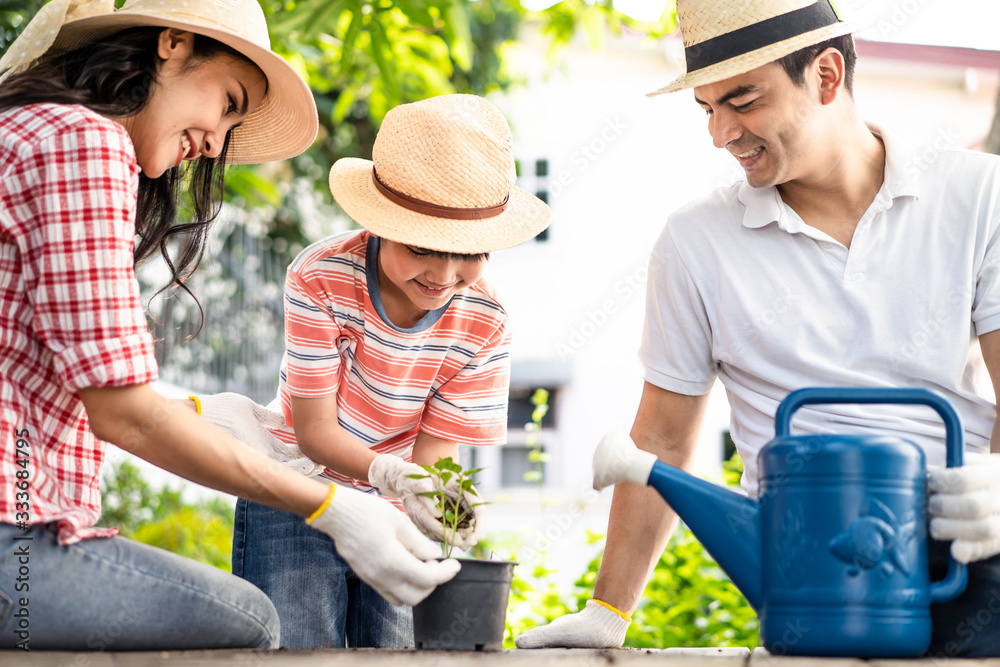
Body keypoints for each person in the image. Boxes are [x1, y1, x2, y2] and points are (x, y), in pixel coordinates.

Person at [515, 0, 1000, 657]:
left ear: (827, 76)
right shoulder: (696, 242)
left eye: (742, 101)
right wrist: (608, 609)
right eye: (707, 109)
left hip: (968, 533)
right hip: (808, 555)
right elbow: (660, 435)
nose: (720, 133)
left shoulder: (979, 194)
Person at [0, 0, 459, 651]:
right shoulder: (85, 140)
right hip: (15, 544)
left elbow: (66, 380)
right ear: (174, 45)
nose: (216, 143)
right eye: (229, 101)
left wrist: (203, 412)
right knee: (251, 618)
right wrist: (328, 505)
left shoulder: (25, 129)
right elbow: (123, 413)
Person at [194, 93, 551, 648]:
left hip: (395, 513)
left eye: (471, 253)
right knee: (301, 649)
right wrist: (390, 473)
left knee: (391, 653)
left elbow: (435, 455)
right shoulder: (321, 278)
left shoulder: (485, 320)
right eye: (423, 248)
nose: (445, 273)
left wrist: (439, 498)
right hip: (296, 492)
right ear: (381, 224)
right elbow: (314, 433)